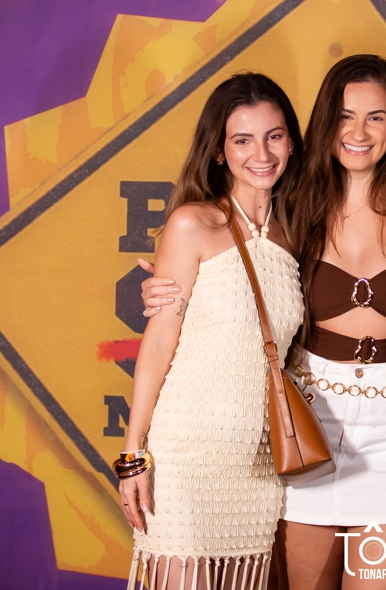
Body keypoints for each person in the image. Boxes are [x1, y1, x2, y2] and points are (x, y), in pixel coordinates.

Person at [142, 55, 386, 589]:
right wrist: (167, 288)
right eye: (345, 116)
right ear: (324, 122)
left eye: (376, 117)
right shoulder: (297, 206)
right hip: (308, 433)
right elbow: (233, 273)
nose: (359, 132)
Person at [117, 72, 305, 590]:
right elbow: (159, 342)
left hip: (259, 461)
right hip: (185, 454)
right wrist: (134, 454)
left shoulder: (298, 234)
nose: (261, 153)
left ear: (291, 142)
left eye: (274, 135)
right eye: (242, 140)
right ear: (219, 151)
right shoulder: (193, 224)